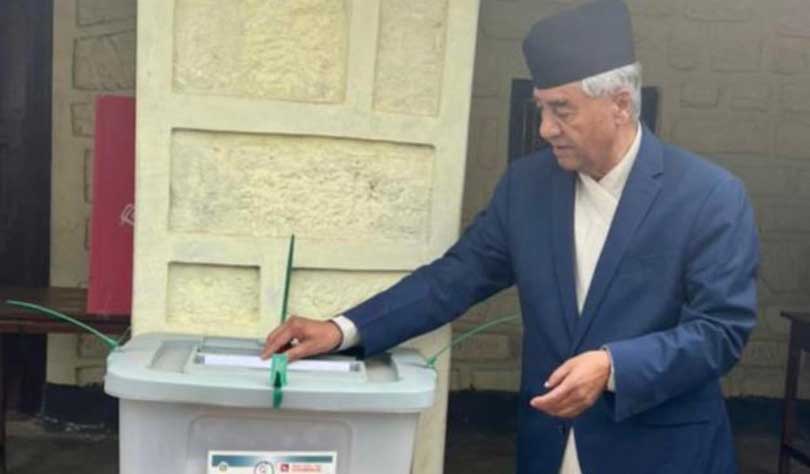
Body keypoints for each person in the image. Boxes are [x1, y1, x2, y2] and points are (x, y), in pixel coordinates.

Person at [262, 1, 759, 473]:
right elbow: (454, 278)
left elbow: (721, 330)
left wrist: (613, 367)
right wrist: (345, 329)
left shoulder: (709, 196)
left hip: (661, 454)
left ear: (620, 105)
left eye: (562, 110)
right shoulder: (527, 187)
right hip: (548, 447)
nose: (545, 128)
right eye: (540, 108)